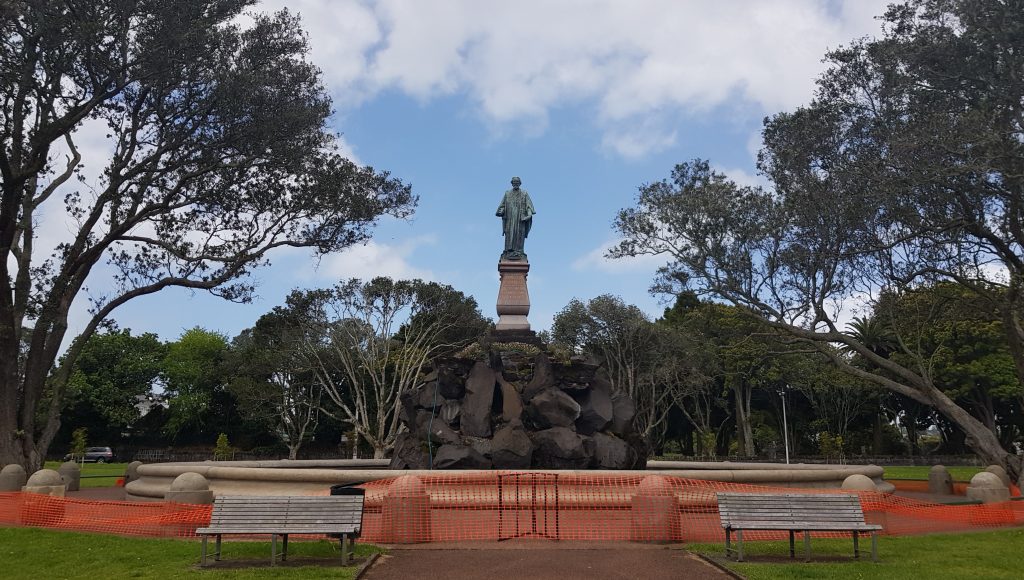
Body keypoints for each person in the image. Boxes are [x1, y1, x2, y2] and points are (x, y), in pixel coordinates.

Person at [495, 176, 536, 260]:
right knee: (509, 234)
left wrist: (528, 215)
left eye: (517, 182)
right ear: (512, 183)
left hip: (520, 219)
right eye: (514, 182)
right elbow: (502, 205)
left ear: (520, 183)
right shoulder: (507, 193)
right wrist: (500, 211)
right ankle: (508, 251)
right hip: (510, 219)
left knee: (519, 234)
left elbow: (529, 207)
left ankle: (519, 252)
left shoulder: (524, 193)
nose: (516, 184)